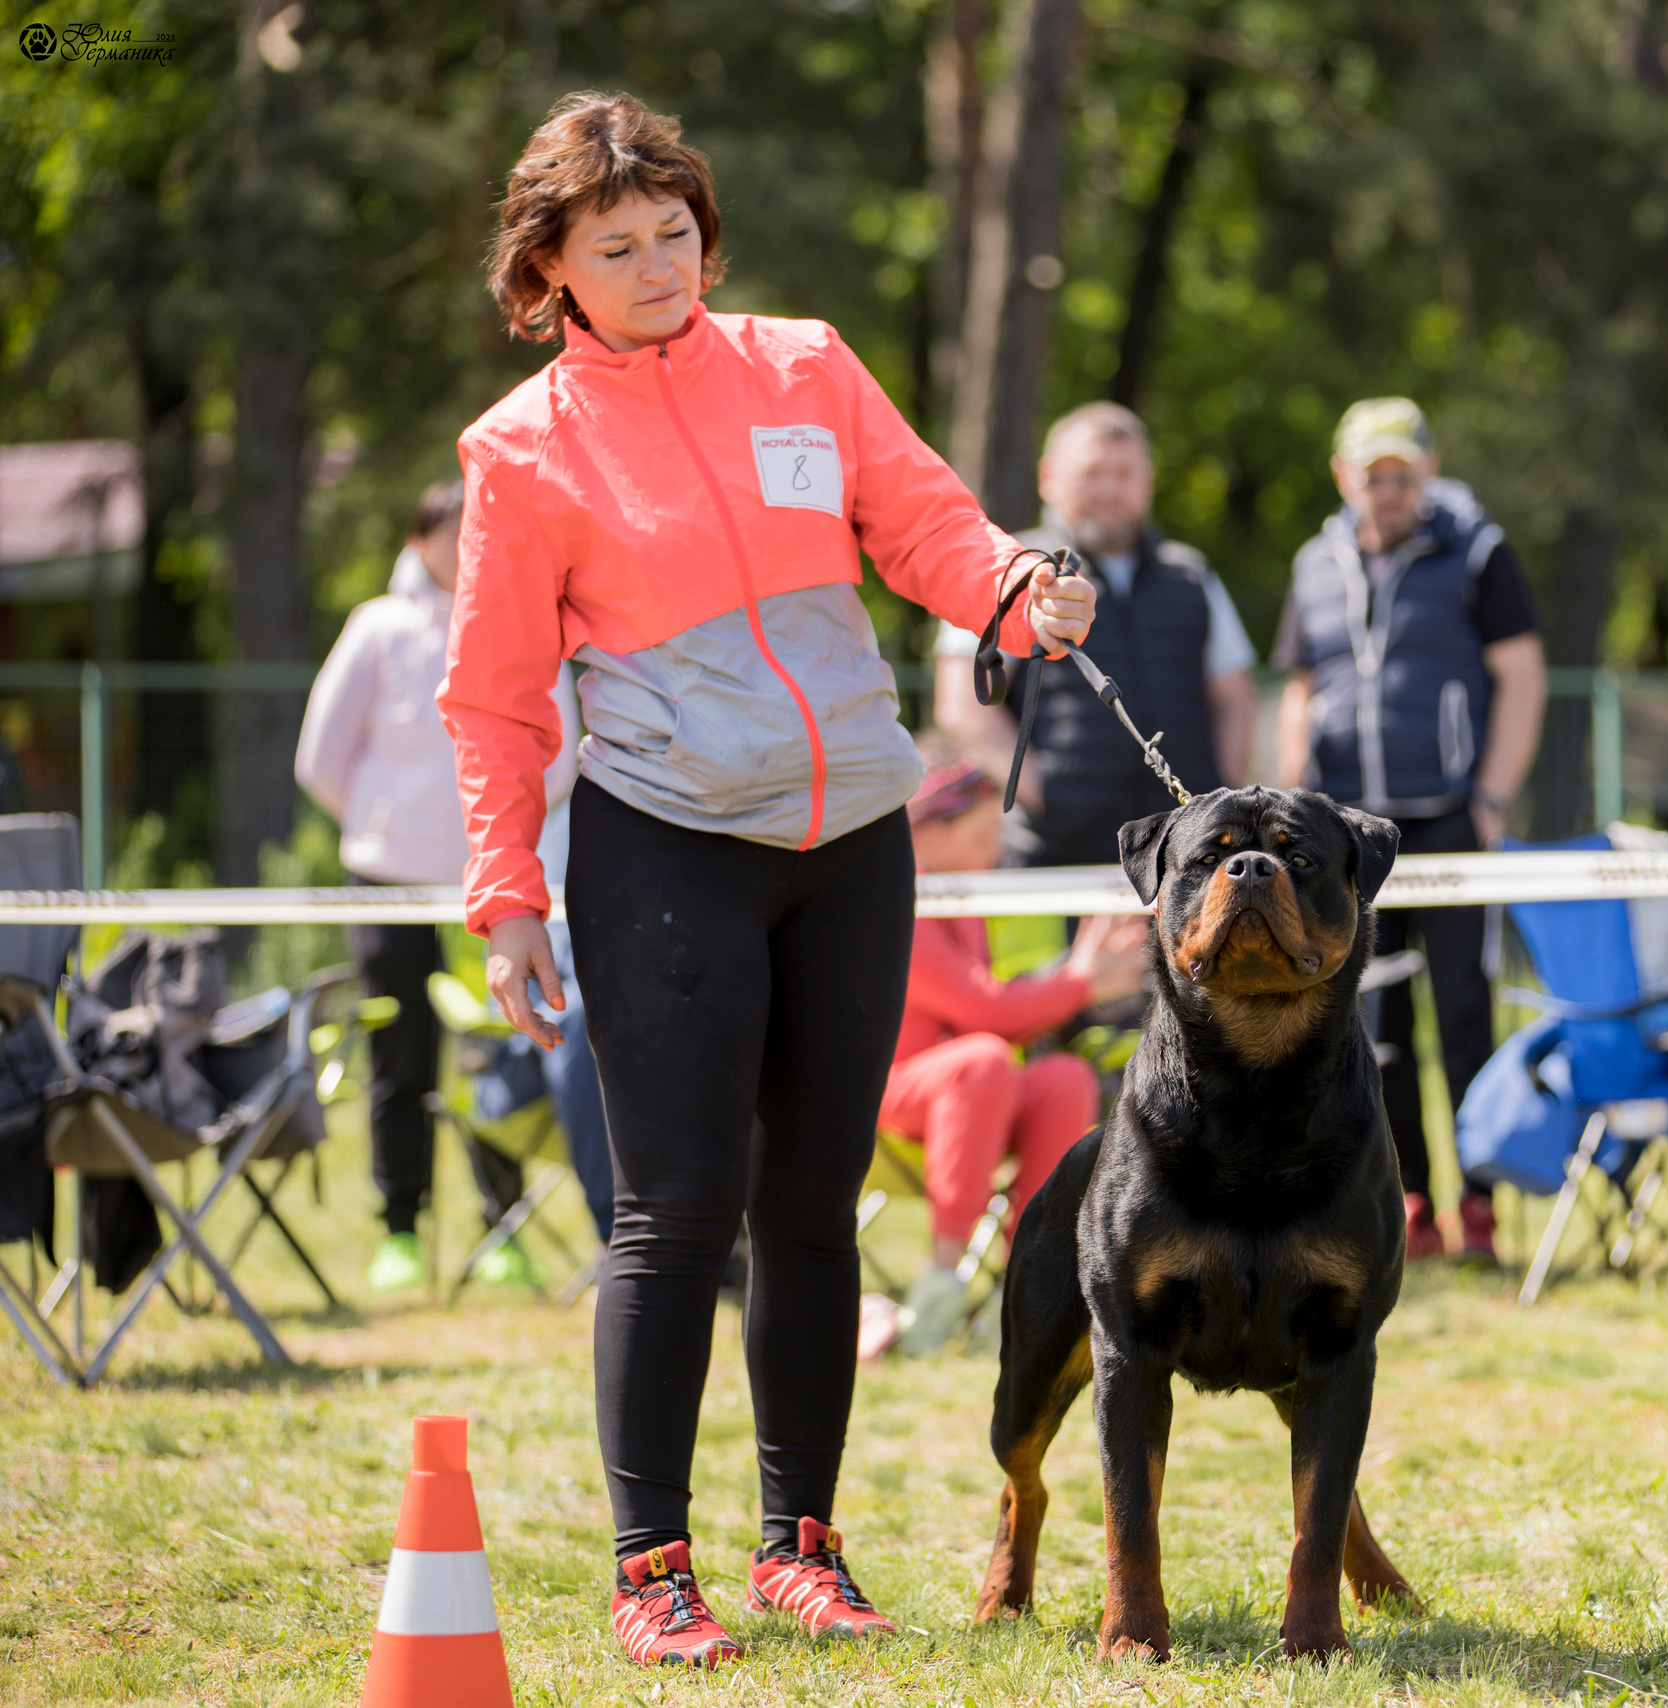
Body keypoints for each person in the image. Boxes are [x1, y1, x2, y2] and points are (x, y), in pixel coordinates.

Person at [439, 91, 1096, 1671]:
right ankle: (649, 1569)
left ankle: (804, 1546)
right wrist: (503, 885)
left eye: (676, 232)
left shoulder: (804, 363)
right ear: (554, 271)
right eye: (619, 245)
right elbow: (496, 693)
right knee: (678, 1214)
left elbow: (927, 522)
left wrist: (1013, 587)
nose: (661, 264)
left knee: (814, 1207)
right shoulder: (520, 452)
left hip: (852, 841)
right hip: (666, 848)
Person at [1272, 397, 1545, 1262]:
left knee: (1464, 1012)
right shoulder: (1314, 562)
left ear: (1427, 472)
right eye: (1371, 475)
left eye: (1402, 474)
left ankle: (1481, 1205)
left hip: (1452, 818)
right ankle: (1410, 1202)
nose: (1387, 490)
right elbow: (1302, 685)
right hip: (1351, 833)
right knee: (1373, 1022)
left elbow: (1522, 676)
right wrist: (1292, 804)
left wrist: (1493, 793)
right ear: (1343, 478)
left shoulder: (1478, 554)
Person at [294, 479, 576, 1293]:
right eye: (448, 534)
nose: (462, 549)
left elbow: (558, 753)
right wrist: (389, 829)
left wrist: (494, 836)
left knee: (499, 1049)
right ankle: (399, 1229)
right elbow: (321, 757)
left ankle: (504, 1229)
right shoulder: (375, 629)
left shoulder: (528, 622)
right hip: (386, 885)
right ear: (418, 543)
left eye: (475, 533)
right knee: (401, 1055)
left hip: (495, 888)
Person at [884, 742, 1148, 1354]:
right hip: (889, 1093)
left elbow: (991, 1017)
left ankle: (1032, 1280)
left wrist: (1083, 982)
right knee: (981, 1060)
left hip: (972, 1087)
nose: (995, 852)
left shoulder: (965, 896)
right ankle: (943, 1275)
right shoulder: (903, 899)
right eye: (980, 837)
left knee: (1063, 1078)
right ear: (926, 832)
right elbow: (985, 1010)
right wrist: (1082, 981)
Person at [934, 401, 1258, 866]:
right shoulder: (1011, 567)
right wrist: (1043, 792)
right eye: (1091, 472)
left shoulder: (1192, 574)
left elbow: (1234, 697)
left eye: (1124, 474)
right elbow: (963, 705)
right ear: (1049, 478)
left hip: (1188, 852)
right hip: (1060, 851)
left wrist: (1220, 791)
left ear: (1148, 480)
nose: (1108, 489)